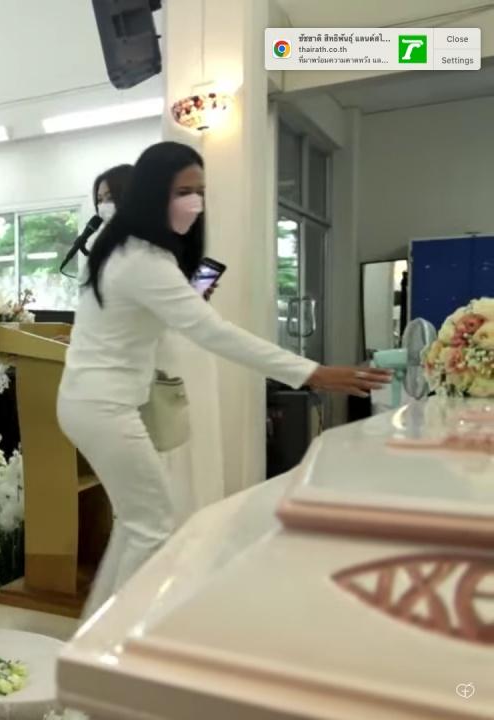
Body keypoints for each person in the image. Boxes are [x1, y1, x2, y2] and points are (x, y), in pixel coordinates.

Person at [58, 141, 391, 617]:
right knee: (152, 524)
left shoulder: (124, 250)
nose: (195, 203)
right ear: (152, 193)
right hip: (102, 406)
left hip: (95, 401)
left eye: (200, 191)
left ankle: (100, 625)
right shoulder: (142, 260)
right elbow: (215, 333)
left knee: (138, 521)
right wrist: (312, 372)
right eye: (182, 192)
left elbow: (173, 323)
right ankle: (117, 636)